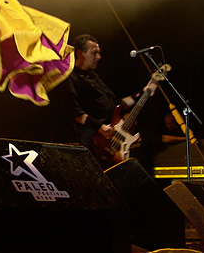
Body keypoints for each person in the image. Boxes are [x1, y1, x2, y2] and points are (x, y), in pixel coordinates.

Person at [67, 34, 156, 167]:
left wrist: (143, 92)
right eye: (94, 53)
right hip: (93, 141)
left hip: (110, 140)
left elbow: (118, 105)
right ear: (80, 53)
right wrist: (100, 126)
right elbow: (75, 113)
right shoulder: (72, 77)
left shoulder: (93, 76)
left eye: (99, 53)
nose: (99, 57)